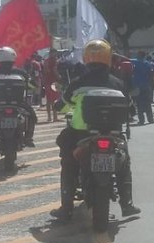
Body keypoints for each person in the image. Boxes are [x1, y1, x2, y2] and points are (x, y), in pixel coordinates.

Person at [50, 39, 141, 220]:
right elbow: (131, 108)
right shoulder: (118, 83)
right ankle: (127, 204)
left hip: (81, 133)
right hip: (113, 133)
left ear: (86, 58)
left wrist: (61, 107)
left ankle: (66, 207)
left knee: (68, 164)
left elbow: (63, 105)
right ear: (108, 58)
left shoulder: (77, 83)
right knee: (124, 165)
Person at [0, 46, 38, 149]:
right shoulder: (21, 73)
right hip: (19, 104)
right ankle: (28, 138)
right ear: (13, 57)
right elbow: (33, 85)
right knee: (32, 116)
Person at [131, 51, 154, 125]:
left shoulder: (135, 62)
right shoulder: (148, 63)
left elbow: (126, 59)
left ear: (139, 55)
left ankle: (141, 120)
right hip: (146, 86)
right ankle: (150, 119)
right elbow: (151, 74)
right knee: (147, 103)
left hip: (138, 86)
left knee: (139, 103)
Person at [43, 49, 61, 122]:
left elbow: (44, 71)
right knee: (54, 99)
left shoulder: (46, 61)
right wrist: (59, 77)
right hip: (53, 81)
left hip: (47, 81)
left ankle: (49, 117)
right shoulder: (54, 60)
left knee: (48, 100)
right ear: (53, 53)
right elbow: (54, 70)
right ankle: (55, 117)